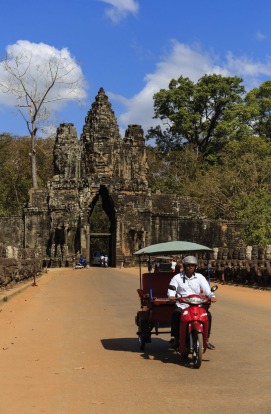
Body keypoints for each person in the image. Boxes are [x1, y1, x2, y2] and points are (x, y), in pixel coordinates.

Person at [167, 255, 216, 350]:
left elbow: (207, 289)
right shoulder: (177, 277)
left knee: (208, 315)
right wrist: (171, 295)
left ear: (195, 267)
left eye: (193, 265)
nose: (191, 267)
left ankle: (206, 340)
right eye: (188, 265)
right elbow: (172, 289)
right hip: (183, 304)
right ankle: (176, 339)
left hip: (197, 304)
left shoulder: (200, 277)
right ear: (184, 266)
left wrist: (212, 296)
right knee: (176, 314)